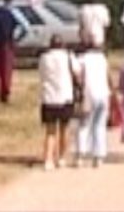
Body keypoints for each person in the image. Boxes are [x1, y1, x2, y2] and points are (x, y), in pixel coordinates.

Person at [72, 41, 114, 168]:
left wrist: (78, 88)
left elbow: (77, 76)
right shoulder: (102, 58)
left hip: (89, 94)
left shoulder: (82, 59)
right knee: (100, 126)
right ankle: (98, 157)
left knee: (84, 125)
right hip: (104, 94)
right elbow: (108, 76)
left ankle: (80, 155)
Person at [0, 0, 30, 104]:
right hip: (8, 42)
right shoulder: (14, 11)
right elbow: (26, 27)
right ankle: (5, 92)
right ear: (12, 0)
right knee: (6, 68)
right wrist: (18, 38)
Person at [38, 35, 74, 170]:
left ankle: (48, 159)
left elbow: (41, 74)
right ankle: (62, 157)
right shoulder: (68, 56)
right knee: (64, 129)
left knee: (50, 131)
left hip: (48, 97)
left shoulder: (44, 58)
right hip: (65, 96)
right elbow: (76, 72)